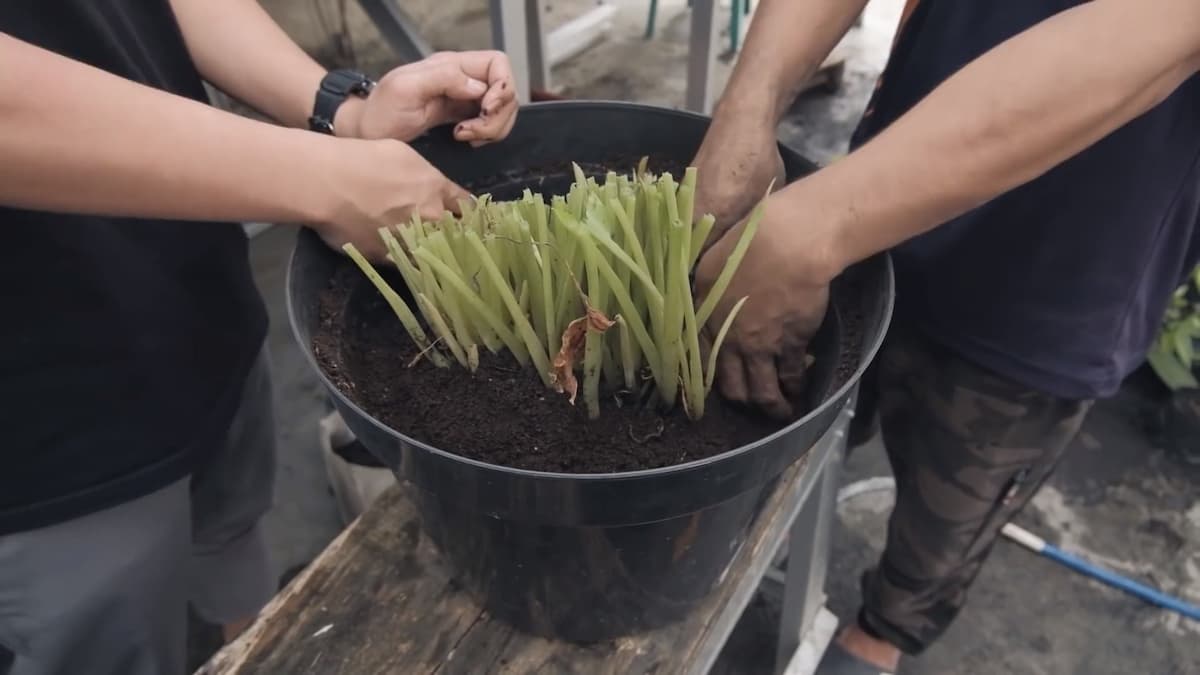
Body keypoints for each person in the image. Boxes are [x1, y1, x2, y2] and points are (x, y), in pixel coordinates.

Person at [0, 2, 518, 674]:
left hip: (196, 296)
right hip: (44, 423)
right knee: (108, 638)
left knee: (233, 540)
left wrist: (341, 110)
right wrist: (322, 177)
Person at [691, 0, 1200, 673]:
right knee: (800, 409)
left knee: (949, 514)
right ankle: (780, 541)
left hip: (1063, 275)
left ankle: (881, 634)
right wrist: (746, 110)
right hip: (878, 202)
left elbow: (1162, 29)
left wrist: (809, 229)